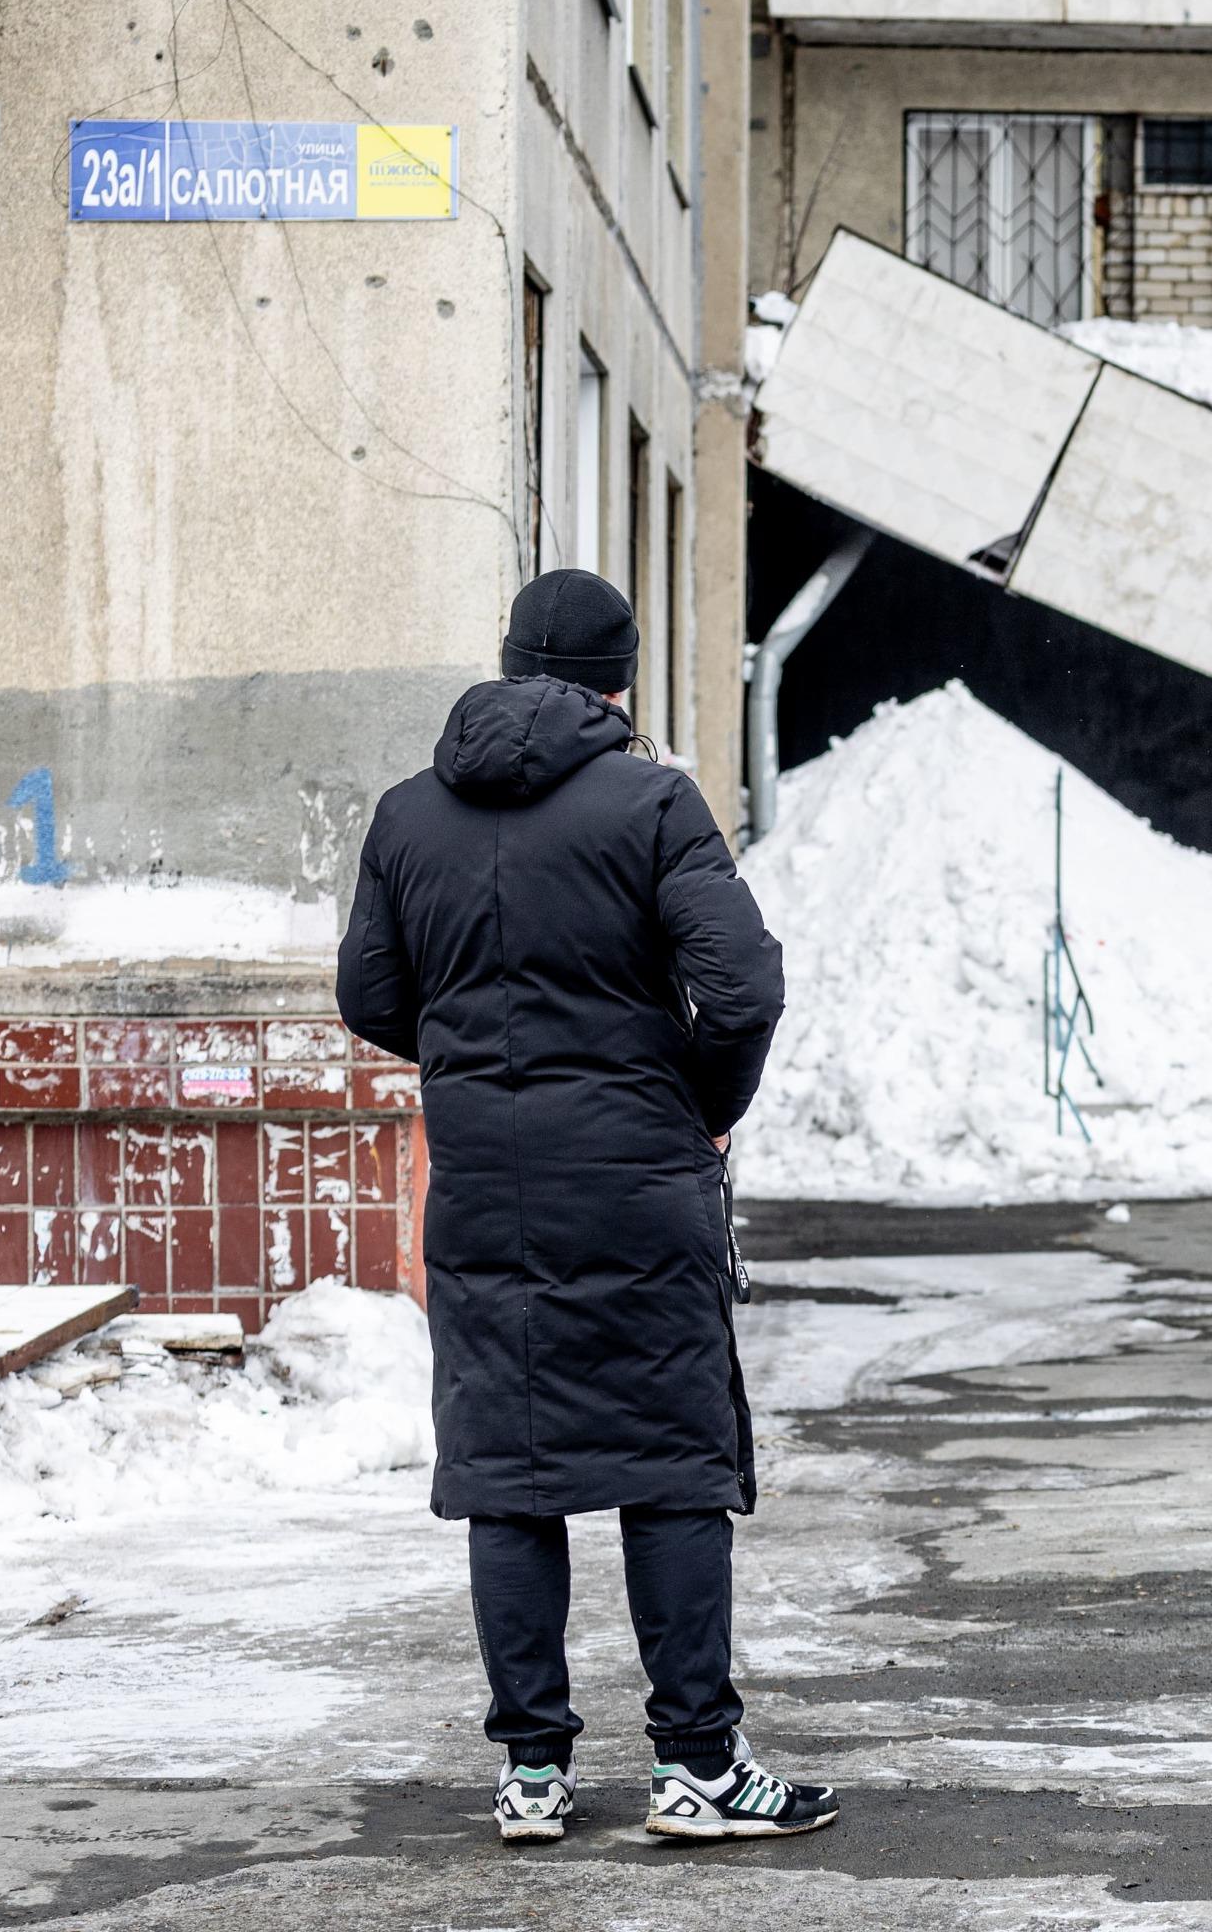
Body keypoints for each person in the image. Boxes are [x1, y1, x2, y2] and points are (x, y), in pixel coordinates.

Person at [336, 570, 832, 1844]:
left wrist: (472, 1057)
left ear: (506, 665)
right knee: (670, 1466)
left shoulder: (406, 816)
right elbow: (745, 988)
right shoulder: (655, 802)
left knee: (510, 1473)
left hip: (483, 1196)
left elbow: (370, 997)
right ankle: (698, 1765)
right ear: (620, 683)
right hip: (638, 1188)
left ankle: (534, 1774)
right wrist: (694, 1099)